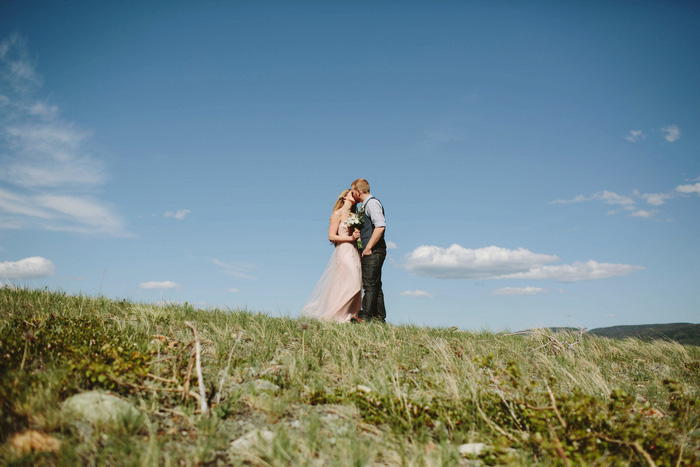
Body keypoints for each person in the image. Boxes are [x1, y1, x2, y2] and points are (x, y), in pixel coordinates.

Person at [300, 189, 362, 322]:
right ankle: (336, 315)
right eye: (352, 193)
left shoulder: (354, 215)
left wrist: (358, 237)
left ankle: (350, 316)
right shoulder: (337, 213)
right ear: (345, 196)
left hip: (355, 251)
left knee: (354, 283)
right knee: (353, 284)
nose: (355, 195)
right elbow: (331, 236)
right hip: (344, 250)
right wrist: (350, 238)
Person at [351, 178, 387, 322]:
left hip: (373, 251)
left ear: (359, 191)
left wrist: (368, 247)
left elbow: (380, 226)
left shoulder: (372, 203)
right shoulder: (366, 205)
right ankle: (379, 318)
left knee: (369, 284)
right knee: (376, 284)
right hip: (373, 250)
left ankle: (364, 316)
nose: (352, 194)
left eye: (353, 191)